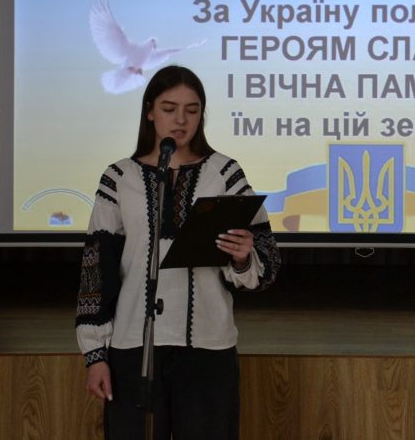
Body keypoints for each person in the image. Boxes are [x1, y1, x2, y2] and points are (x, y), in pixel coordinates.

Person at [75, 65, 280, 440]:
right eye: (169, 108)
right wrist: (95, 354)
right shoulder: (118, 178)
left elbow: (265, 262)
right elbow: (96, 270)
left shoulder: (225, 173)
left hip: (208, 345)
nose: (181, 120)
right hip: (134, 345)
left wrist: (242, 257)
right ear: (150, 112)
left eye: (192, 109)